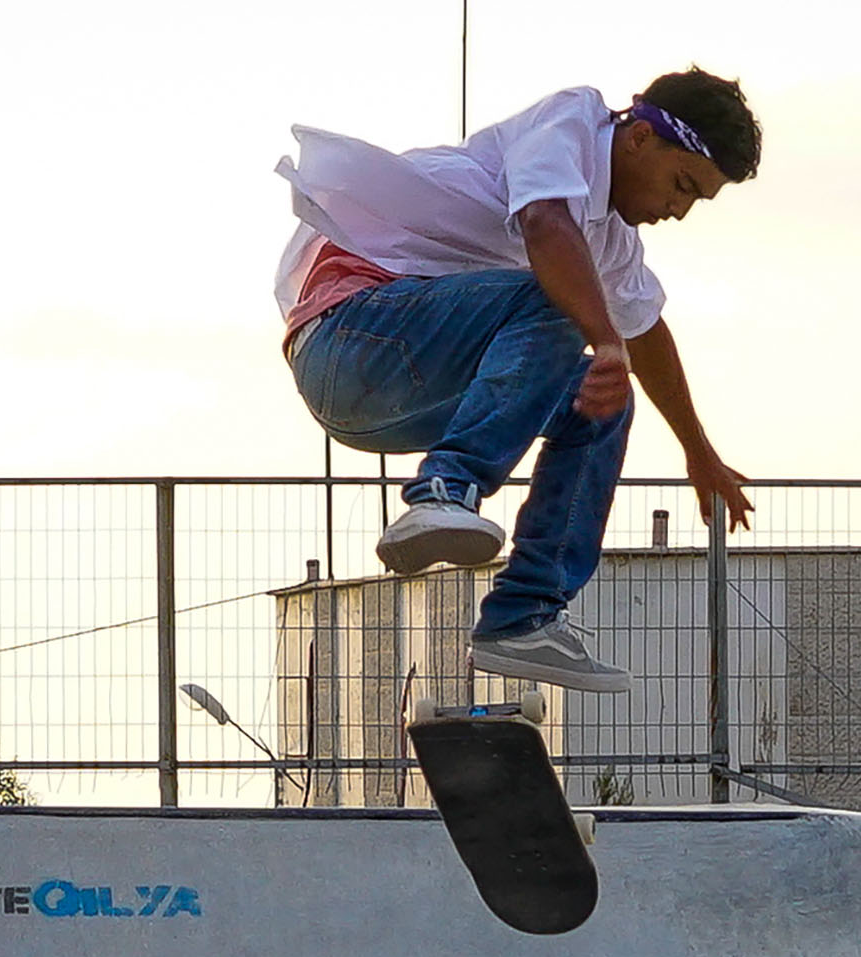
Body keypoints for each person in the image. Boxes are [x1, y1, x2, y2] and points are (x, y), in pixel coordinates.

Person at [274, 69, 762, 693]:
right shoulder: (571, 126)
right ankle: (444, 491)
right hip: (351, 337)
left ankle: (522, 619)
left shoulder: (609, 243)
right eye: (681, 184)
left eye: (697, 200)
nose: (678, 210)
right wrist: (605, 339)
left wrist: (699, 451)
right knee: (560, 296)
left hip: (414, 388)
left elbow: (648, 334)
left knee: (601, 406)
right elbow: (545, 229)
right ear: (639, 138)